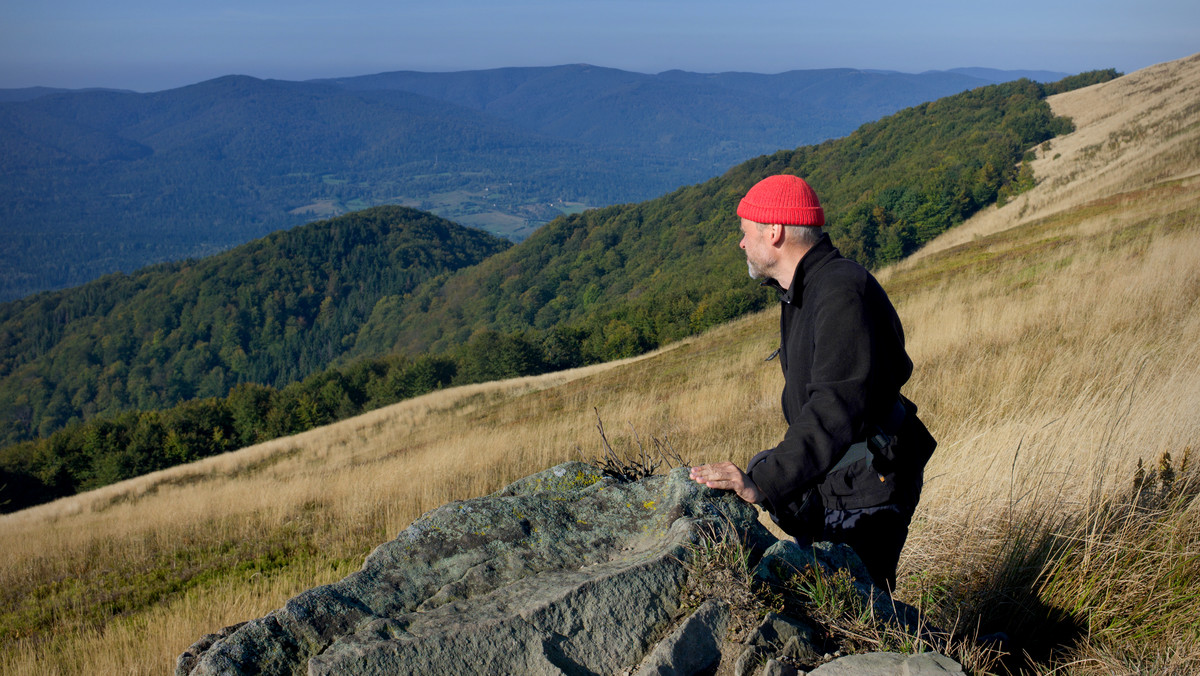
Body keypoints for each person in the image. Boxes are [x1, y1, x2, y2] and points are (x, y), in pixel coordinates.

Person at [689, 174, 936, 591]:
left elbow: (834, 408)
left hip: (869, 479)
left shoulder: (840, 292)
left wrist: (765, 482)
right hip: (845, 474)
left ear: (775, 231)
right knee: (838, 599)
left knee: (857, 606)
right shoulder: (804, 289)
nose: (742, 243)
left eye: (746, 232)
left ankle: (963, 655)